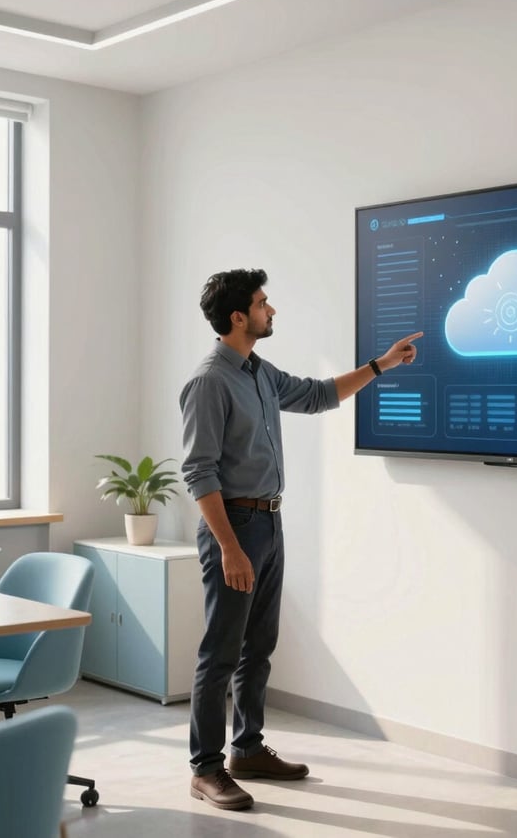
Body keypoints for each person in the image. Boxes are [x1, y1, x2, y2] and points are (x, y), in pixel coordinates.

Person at [180, 267, 422, 811]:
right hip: (234, 528)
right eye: (264, 303)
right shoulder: (209, 382)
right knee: (219, 652)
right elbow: (199, 472)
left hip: (269, 522)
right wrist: (230, 547)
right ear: (239, 316)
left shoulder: (259, 373)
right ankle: (205, 768)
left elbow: (317, 395)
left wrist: (381, 365)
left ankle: (246, 749)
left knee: (258, 647)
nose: (272, 311)